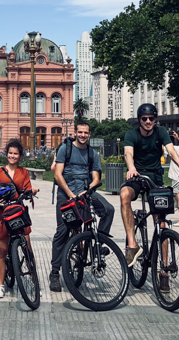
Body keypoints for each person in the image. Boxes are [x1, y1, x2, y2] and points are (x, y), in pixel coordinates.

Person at [121, 104, 179, 267]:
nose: (148, 121)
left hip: (155, 178)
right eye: (144, 119)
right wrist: (132, 167)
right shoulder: (131, 134)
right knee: (124, 195)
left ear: (156, 119)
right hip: (137, 175)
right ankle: (132, 246)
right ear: (139, 120)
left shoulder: (160, 132)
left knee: (161, 224)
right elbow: (128, 153)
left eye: (151, 118)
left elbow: (171, 151)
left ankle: (164, 268)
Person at [49, 120, 115, 292]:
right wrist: (71, 195)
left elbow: (96, 178)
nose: (83, 135)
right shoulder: (66, 149)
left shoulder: (92, 154)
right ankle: (55, 273)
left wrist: (89, 190)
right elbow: (58, 174)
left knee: (108, 210)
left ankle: (97, 245)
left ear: (89, 134)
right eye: (80, 132)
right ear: (75, 132)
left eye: (86, 132)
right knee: (62, 231)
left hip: (85, 192)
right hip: (67, 193)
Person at [0, 139, 38, 298]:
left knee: (27, 248)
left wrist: (33, 190)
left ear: (20, 155)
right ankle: (1, 285)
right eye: (10, 153)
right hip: (2, 214)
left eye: (15, 153)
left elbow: (28, 188)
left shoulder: (23, 172)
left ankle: (35, 281)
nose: (12, 156)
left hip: (18, 212)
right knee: (1, 251)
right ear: (6, 154)